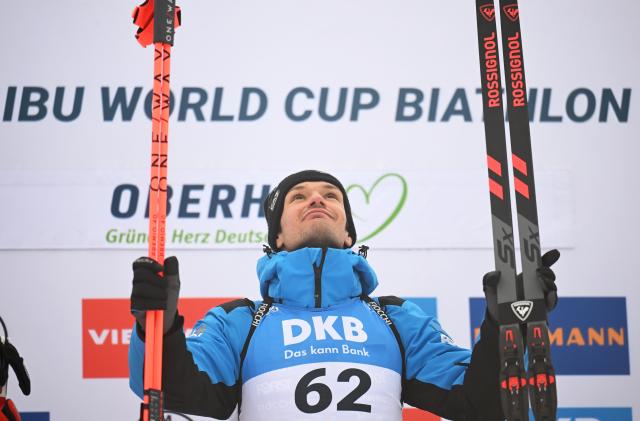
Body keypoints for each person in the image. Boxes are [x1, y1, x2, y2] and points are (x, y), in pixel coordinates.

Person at [128, 170, 559, 420]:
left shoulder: (395, 319)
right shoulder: (240, 321)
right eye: (298, 197)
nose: (316, 198)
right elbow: (176, 390)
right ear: (276, 236)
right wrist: (158, 330)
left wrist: (504, 324)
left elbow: (479, 402)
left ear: (349, 230)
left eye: (331, 196)